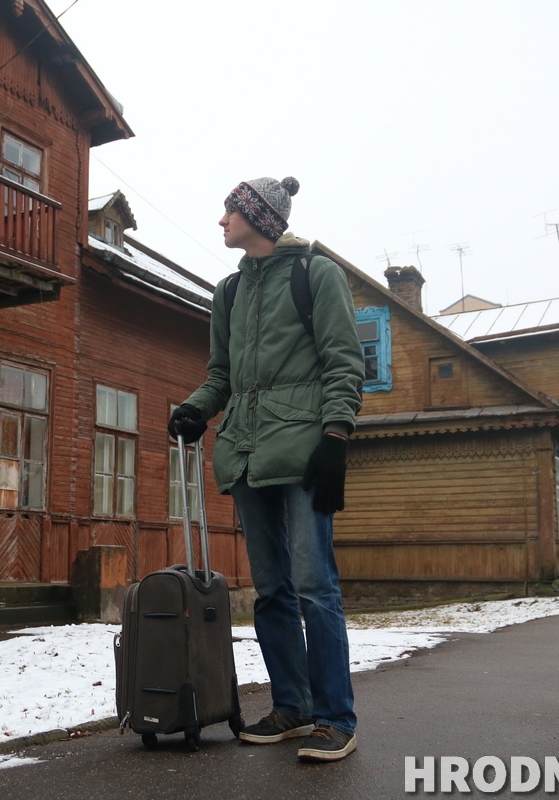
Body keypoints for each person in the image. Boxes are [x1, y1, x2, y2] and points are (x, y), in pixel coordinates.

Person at [168, 176, 364, 762]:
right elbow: (222, 374)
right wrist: (196, 409)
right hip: (246, 452)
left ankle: (336, 718)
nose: (221, 221)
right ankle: (294, 708)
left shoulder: (315, 274)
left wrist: (335, 436)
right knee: (272, 591)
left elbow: (342, 360)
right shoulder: (228, 292)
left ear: (257, 216)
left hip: (304, 450)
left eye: (229, 210)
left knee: (314, 586)